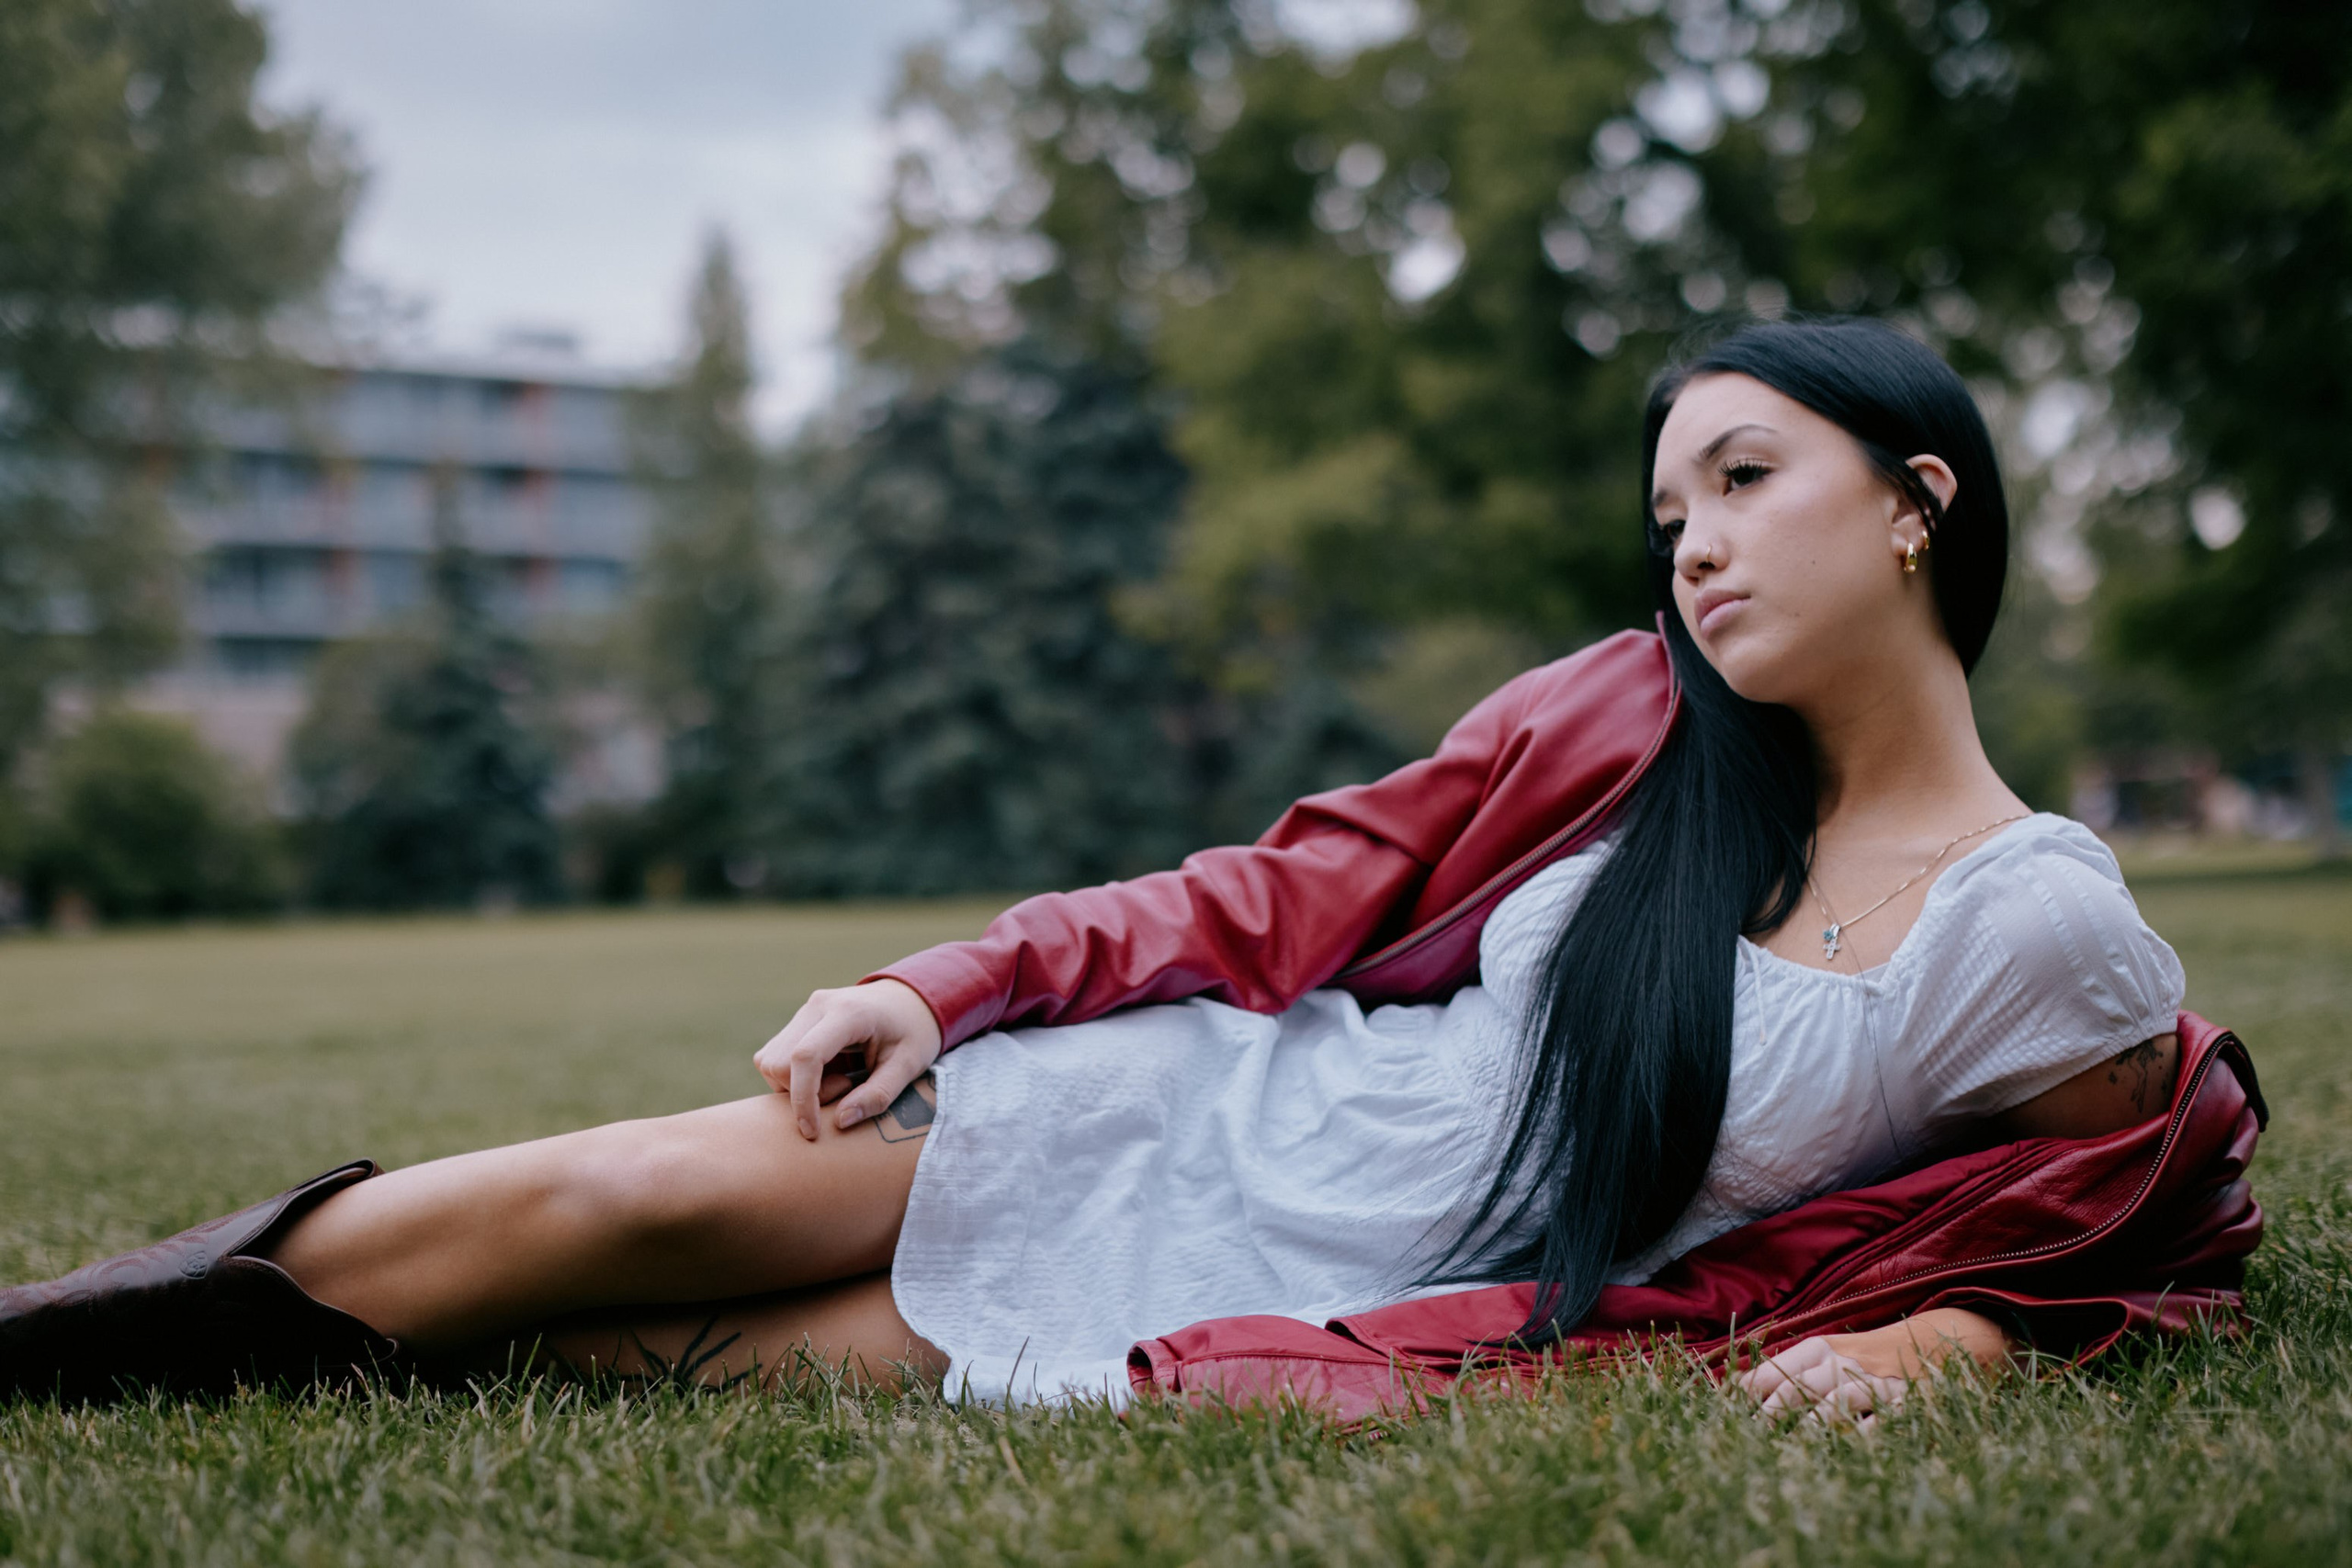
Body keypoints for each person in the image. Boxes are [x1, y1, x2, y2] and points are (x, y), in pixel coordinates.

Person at [0, 318, 2191, 1421]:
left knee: (659, 1349)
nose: (1693, 541)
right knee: (607, 1203)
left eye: (1740, 476)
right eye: (1668, 508)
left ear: (1916, 501)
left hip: (1336, 1291)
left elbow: (2115, 1215)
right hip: (1220, 1105)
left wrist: (1946, 1347)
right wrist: (949, 986)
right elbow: (1294, 884)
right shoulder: (1621, 715)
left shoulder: (2032, 924)